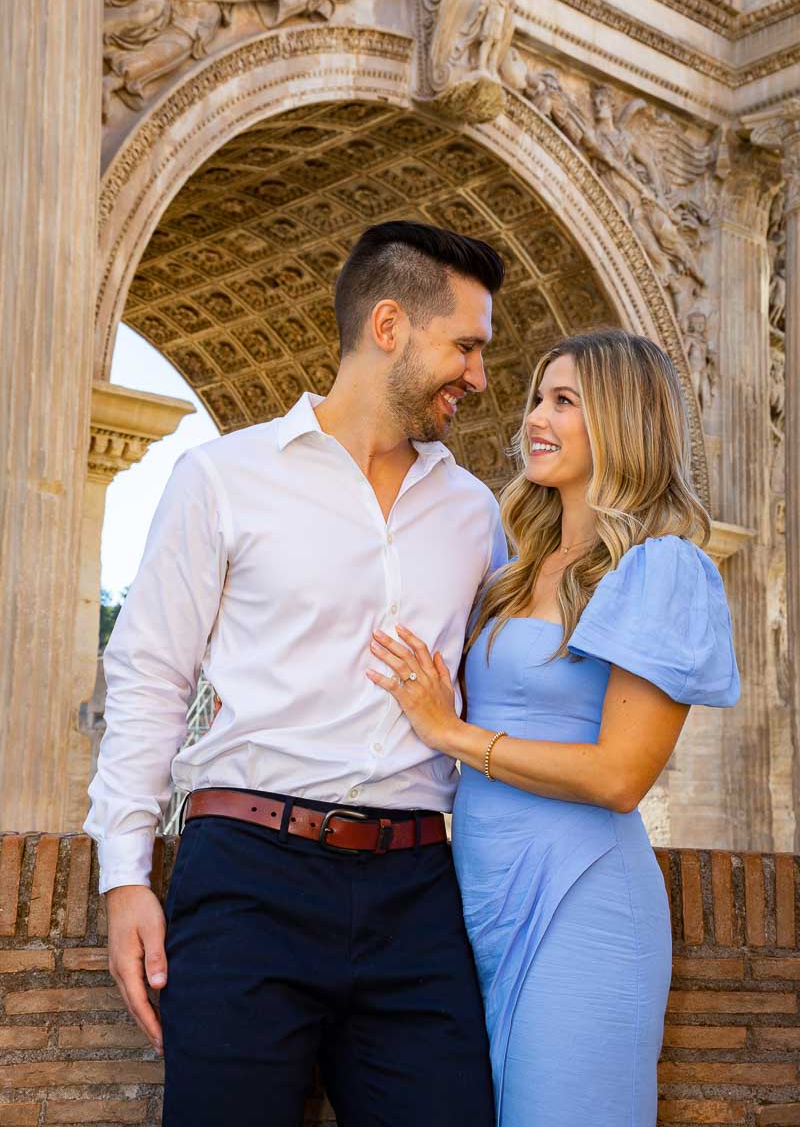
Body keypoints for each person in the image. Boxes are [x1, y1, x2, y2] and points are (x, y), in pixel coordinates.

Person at [83, 221, 508, 1127]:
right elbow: (151, 675)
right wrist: (124, 876)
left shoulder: (476, 513)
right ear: (389, 326)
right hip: (247, 880)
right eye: (466, 346)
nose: (479, 376)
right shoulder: (222, 479)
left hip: (419, 892)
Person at [366, 329, 740, 1127]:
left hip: (582, 897)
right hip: (477, 897)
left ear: (622, 420)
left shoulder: (657, 566)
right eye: (539, 397)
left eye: (564, 401)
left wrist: (454, 736)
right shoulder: (509, 566)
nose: (535, 416)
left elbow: (618, 776)